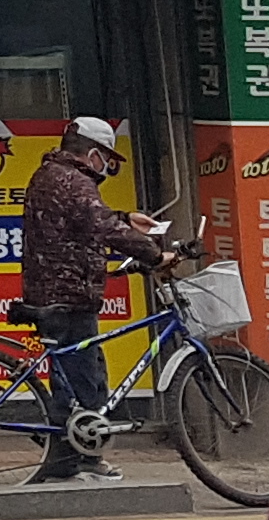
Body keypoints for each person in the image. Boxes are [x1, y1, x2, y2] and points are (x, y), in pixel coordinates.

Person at [20, 115, 179, 482]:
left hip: (57, 291)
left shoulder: (52, 174)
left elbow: (85, 219)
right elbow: (103, 226)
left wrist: (127, 218)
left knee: (79, 382)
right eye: (107, 158)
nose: (107, 166)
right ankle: (78, 462)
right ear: (93, 153)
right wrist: (155, 256)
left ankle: (69, 461)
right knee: (85, 382)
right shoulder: (73, 181)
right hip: (67, 296)